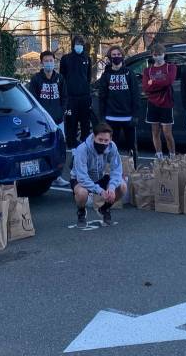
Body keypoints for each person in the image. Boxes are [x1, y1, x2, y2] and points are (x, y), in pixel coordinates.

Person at [71, 123, 126, 228]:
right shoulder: (82, 149)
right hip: (80, 179)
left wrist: (112, 187)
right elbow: (82, 177)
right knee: (82, 193)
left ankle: (104, 209)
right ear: (93, 137)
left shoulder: (112, 146)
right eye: (100, 140)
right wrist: (100, 191)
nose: (103, 143)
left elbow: (117, 169)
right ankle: (81, 211)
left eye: (106, 140)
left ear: (110, 139)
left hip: (100, 177)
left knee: (122, 187)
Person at [28, 51, 69, 186]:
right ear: (41, 62)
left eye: (51, 60)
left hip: (57, 121)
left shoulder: (60, 78)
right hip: (42, 122)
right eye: (46, 61)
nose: (49, 63)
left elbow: (64, 97)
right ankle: (41, 175)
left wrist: (61, 112)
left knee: (58, 149)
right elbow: (33, 100)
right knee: (42, 148)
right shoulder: (36, 79)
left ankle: (57, 176)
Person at [98, 45, 139, 157]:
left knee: (132, 148)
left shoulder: (129, 73)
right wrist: (102, 117)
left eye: (119, 55)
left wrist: (135, 115)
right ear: (110, 58)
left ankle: (133, 170)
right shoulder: (106, 75)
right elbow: (102, 97)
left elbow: (135, 95)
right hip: (111, 118)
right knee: (110, 148)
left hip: (128, 117)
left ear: (122, 56)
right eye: (114, 55)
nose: (116, 57)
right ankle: (111, 171)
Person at [60, 35, 94, 160]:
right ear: (73, 44)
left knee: (85, 123)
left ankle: (85, 146)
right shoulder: (65, 59)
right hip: (70, 98)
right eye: (77, 43)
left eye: (81, 43)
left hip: (84, 97)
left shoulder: (87, 58)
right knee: (71, 123)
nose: (79, 45)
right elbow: (62, 77)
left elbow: (89, 77)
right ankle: (72, 147)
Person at [142, 44, 177, 159]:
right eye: (155, 55)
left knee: (167, 133)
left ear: (164, 54)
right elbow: (146, 87)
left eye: (160, 54)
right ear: (152, 55)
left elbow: (169, 81)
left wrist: (153, 83)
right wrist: (160, 82)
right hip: (152, 103)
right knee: (155, 132)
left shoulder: (170, 67)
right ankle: (159, 156)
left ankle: (172, 156)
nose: (158, 57)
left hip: (166, 103)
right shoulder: (148, 70)